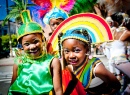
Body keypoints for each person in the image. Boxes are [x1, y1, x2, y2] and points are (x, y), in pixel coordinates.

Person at [8, 10, 63, 95]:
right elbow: (12, 87)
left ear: (43, 41)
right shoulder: (18, 62)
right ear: (22, 46)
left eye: (35, 41)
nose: (32, 46)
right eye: (27, 44)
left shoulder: (52, 62)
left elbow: (58, 91)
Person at [59, 27, 121, 95]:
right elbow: (73, 82)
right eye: (66, 51)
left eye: (77, 50)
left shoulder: (96, 69)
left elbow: (117, 85)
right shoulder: (71, 68)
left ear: (87, 50)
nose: (71, 56)